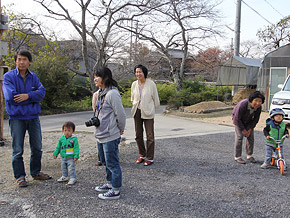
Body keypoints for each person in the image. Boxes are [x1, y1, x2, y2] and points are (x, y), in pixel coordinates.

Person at [2, 50, 51, 188]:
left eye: (24, 59)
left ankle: (35, 172)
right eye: (19, 59)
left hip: (33, 117)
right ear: (15, 61)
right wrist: (32, 98)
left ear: (29, 61)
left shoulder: (33, 77)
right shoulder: (8, 77)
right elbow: (10, 97)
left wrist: (27, 96)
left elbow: (42, 93)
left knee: (37, 147)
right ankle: (20, 176)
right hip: (17, 117)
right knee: (17, 149)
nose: (21, 62)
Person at [93, 67, 126, 200]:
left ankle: (116, 190)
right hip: (101, 134)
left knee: (112, 163)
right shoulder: (100, 92)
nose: (95, 79)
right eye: (94, 76)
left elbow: (121, 114)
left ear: (105, 78)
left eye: (97, 76)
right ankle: (109, 183)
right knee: (106, 162)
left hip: (110, 134)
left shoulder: (112, 94)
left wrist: (120, 129)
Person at [131, 64, 160, 166]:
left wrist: (152, 109)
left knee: (150, 136)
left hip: (148, 111)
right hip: (137, 111)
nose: (138, 74)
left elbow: (156, 100)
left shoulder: (151, 84)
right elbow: (132, 98)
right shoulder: (134, 84)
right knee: (138, 135)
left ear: (144, 73)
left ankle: (150, 158)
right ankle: (142, 154)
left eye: (140, 72)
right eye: (137, 72)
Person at [232, 91, 265, 164]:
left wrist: (250, 128)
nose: (258, 103)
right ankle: (237, 156)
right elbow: (237, 118)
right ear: (251, 100)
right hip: (238, 121)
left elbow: (256, 119)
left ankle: (249, 155)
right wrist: (243, 130)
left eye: (260, 101)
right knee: (239, 137)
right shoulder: (243, 104)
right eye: (256, 100)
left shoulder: (259, 108)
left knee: (250, 137)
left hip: (248, 121)